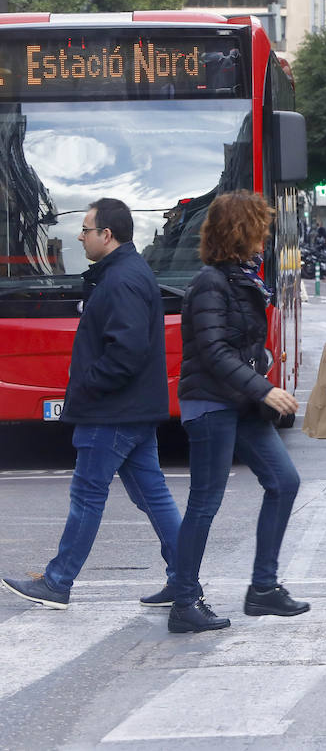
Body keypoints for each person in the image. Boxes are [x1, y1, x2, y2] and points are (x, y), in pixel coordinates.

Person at [3, 199, 183, 611]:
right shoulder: (125, 274)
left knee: (87, 495)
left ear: (107, 235)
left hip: (112, 411)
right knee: (152, 496)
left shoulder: (121, 281)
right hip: (129, 408)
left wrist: (84, 387)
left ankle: (57, 581)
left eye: (85, 229)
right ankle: (184, 577)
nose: (80, 236)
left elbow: (126, 351)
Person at [169, 191, 307, 633]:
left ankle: (263, 588)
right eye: (259, 228)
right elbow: (212, 350)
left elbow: (245, 346)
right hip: (211, 402)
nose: (265, 237)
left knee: (284, 482)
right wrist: (265, 390)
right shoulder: (211, 282)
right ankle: (184, 601)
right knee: (205, 503)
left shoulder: (242, 278)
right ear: (240, 231)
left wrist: (262, 378)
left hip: (239, 400)